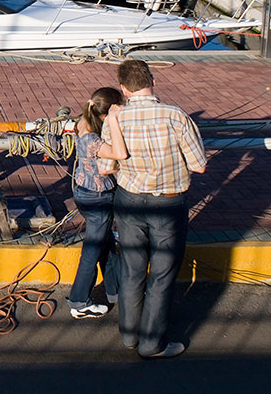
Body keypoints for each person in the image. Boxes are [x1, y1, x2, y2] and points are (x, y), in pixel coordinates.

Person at [108, 59, 206, 359]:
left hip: (129, 199)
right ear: (153, 80)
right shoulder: (175, 116)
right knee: (161, 275)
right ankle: (152, 343)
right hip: (168, 201)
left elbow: (105, 165)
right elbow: (199, 165)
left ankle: (129, 334)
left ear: (123, 89)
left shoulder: (117, 119)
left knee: (132, 268)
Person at [67, 87, 129, 319]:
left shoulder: (84, 121)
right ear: (107, 112)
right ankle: (79, 301)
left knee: (106, 247)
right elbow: (119, 154)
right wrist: (114, 120)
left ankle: (117, 290)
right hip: (99, 196)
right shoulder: (93, 139)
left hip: (83, 191)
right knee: (92, 251)